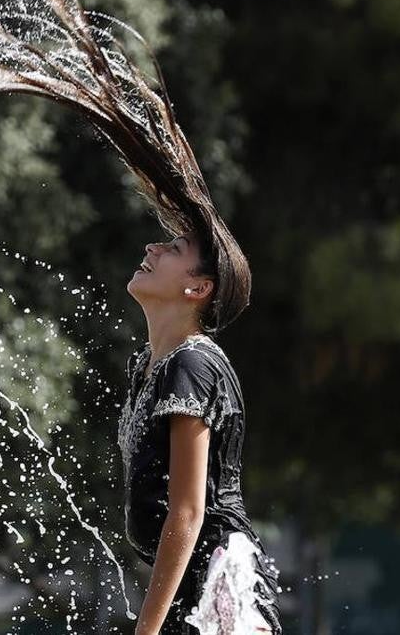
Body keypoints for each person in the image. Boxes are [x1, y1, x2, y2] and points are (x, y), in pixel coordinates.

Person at [120, 229, 282, 635]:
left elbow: (188, 511)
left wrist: (146, 631)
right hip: (194, 592)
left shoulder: (191, 365)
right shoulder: (149, 365)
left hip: (221, 585)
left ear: (198, 287)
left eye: (172, 249)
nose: (150, 247)